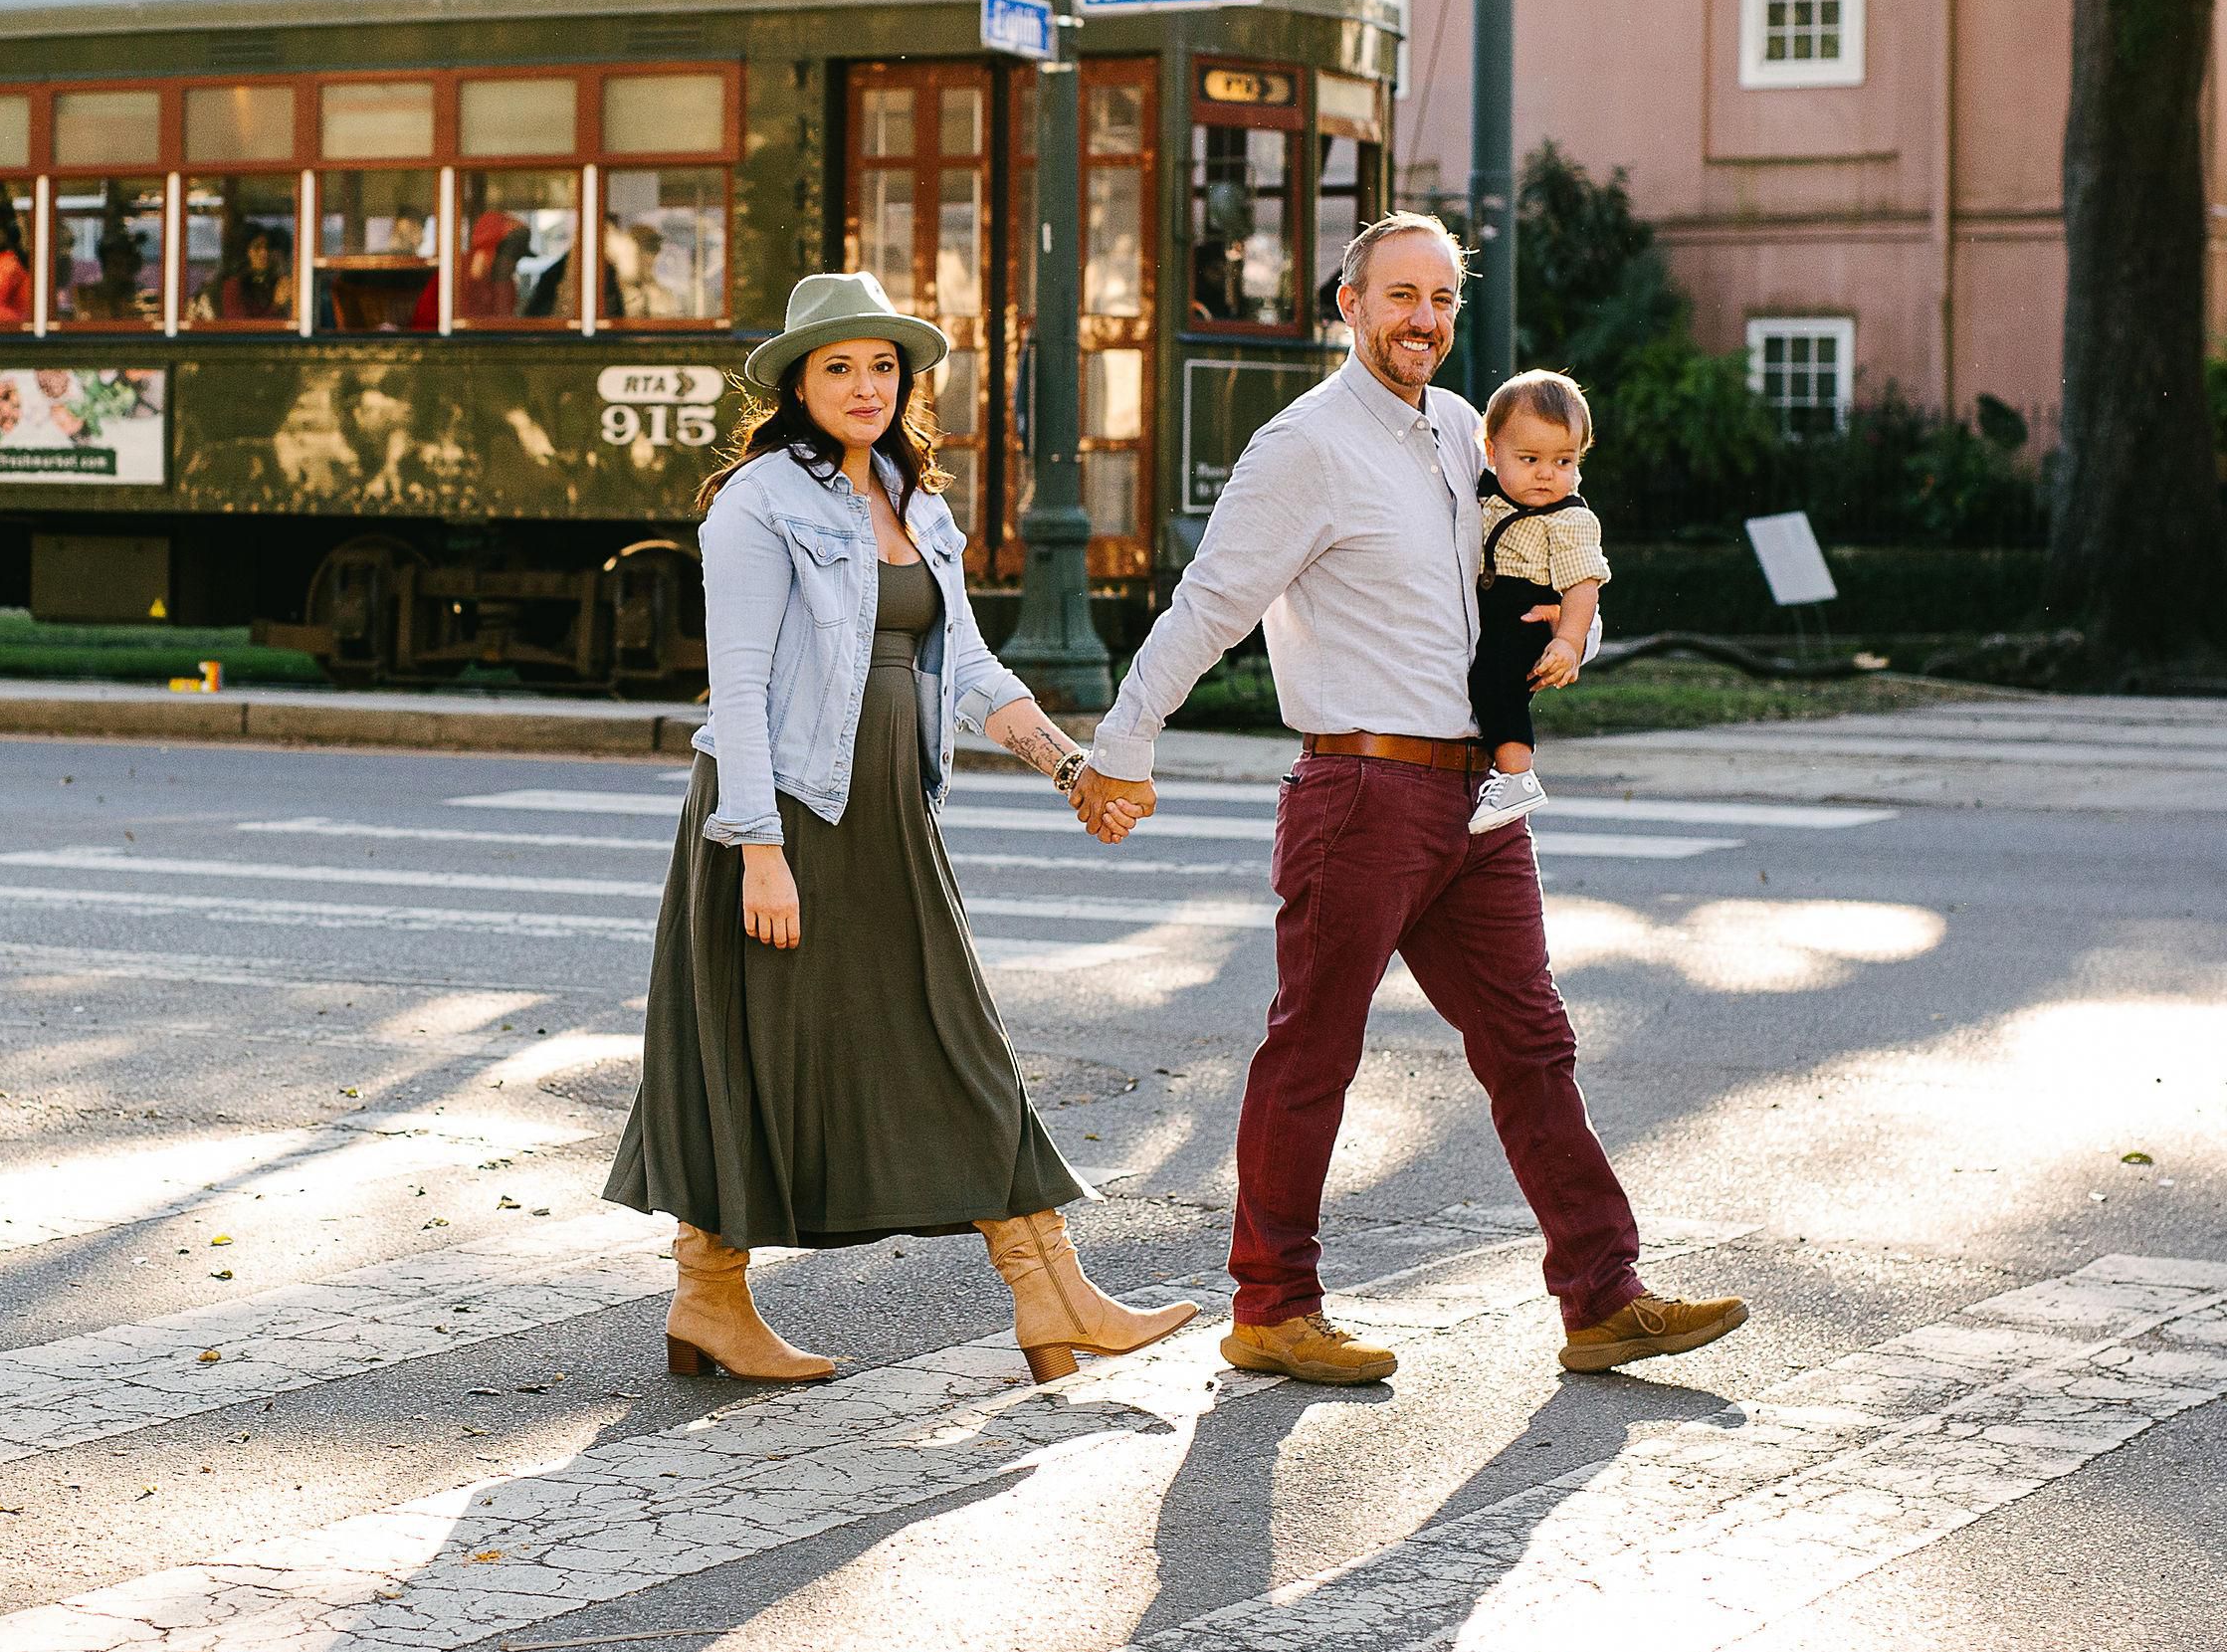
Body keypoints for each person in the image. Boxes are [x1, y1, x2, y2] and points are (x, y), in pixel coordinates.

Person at [1069, 213, 1746, 1384]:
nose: (1422, 319)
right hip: (1360, 790)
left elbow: (1513, 577)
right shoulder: (1303, 447)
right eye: (1398, 296)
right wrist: (1120, 745)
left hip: (1473, 798)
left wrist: (1566, 635)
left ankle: (1600, 1296)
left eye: (1439, 297)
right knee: (1314, 1049)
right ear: (1347, 304)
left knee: (1532, 1042)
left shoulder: (1462, 433)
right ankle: (1271, 1305)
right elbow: (1208, 604)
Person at [605, 270, 1197, 1387]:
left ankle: (1047, 1289)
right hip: (786, 812)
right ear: (795, 384)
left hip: (886, 816)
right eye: (838, 366)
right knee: (748, 1046)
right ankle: (712, 1296)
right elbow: (732, 686)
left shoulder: (917, 504)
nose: (865, 384)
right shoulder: (754, 504)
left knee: (950, 1033)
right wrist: (758, 852)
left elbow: (963, 664)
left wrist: (1067, 766)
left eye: (882, 365)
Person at [1467, 369, 1610, 834]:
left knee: (1497, 681)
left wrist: (1569, 641)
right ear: (1492, 453)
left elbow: (1583, 584)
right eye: (1530, 459)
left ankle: (1516, 776)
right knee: (1486, 682)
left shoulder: (1570, 519)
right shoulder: (1490, 494)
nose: (1547, 474)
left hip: (1524, 611)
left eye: (1564, 461)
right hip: (1492, 607)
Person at [216, 222, 291, 321]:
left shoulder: (274, 282)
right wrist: (276, 305)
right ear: (247, 252)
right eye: (257, 247)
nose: (264, 253)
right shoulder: (234, 286)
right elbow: (241, 328)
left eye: (267, 247)